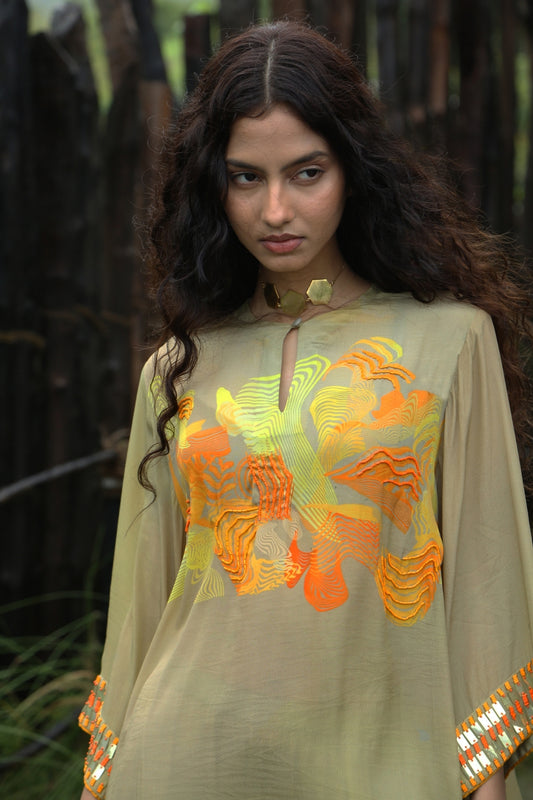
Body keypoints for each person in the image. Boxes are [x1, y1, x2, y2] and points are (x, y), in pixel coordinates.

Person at [79, 20, 533, 800]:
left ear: (353, 170)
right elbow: (140, 602)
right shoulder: (178, 367)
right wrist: (104, 776)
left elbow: (485, 575)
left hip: (391, 761)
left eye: (306, 173)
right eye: (244, 177)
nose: (275, 209)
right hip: (189, 758)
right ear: (213, 185)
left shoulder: (450, 342)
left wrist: (483, 773)